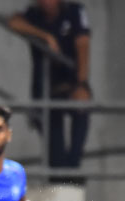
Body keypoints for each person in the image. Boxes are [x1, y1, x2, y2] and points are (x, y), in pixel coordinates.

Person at [8, 0, 91, 170]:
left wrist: (82, 84)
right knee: (56, 158)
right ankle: (66, 181)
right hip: (45, 92)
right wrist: (45, 36)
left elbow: (83, 44)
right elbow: (13, 22)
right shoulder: (34, 15)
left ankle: (72, 175)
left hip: (71, 84)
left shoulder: (74, 11)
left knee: (82, 108)